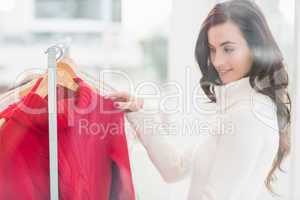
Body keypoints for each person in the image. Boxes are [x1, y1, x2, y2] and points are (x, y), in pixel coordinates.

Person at [104, 0, 291, 199]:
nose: (217, 61)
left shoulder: (246, 115)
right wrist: (137, 113)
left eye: (228, 49)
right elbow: (175, 168)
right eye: (212, 49)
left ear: (255, 48)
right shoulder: (238, 109)